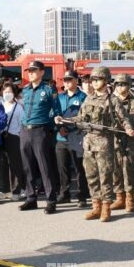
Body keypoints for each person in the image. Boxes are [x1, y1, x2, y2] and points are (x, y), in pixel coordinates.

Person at [58, 67, 134, 222]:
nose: (94, 82)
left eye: (97, 79)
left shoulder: (112, 100)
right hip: (88, 143)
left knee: (105, 177)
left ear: (106, 81)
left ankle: (106, 207)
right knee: (91, 176)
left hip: (104, 144)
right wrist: (64, 119)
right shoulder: (88, 98)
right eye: (92, 80)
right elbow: (80, 118)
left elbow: (123, 118)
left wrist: (128, 128)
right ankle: (96, 207)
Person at [18, 60, 61, 214]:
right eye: (29, 70)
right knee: (27, 166)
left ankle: (51, 200)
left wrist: (56, 119)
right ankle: (31, 198)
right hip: (25, 130)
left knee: (45, 166)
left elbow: (56, 111)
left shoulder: (49, 90)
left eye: (34, 70)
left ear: (42, 72)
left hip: (40, 131)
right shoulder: (25, 90)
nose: (30, 73)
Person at [53, 70, 89, 206]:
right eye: (65, 80)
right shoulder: (59, 97)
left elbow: (86, 117)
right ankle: (65, 193)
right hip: (61, 137)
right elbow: (54, 113)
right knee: (62, 168)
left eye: (69, 79)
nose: (66, 82)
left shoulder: (83, 97)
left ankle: (82, 195)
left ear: (76, 80)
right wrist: (56, 121)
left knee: (79, 168)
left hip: (77, 137)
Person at [110, 73, 134, 213]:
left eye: (123, 84)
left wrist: (116, 121)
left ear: (129, 86)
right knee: (115, 170)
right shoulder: (110, 101)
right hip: (115, 140)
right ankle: (119, 197)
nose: (120, 87)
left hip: (132, 141)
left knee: (129, 169)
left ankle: (130, 198)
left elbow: (133, 120)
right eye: (117, 84)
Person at [0, 83, 26, 200]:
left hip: (14, 137)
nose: (7, 94)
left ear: (14, 93)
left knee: (15, 165)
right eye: (5, 92)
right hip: (1, 137)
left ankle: (17, 190)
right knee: (3, 164)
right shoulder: (0, 105)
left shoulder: (18, 107)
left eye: (9, 92)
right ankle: (5, 189)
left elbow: (22, 124)